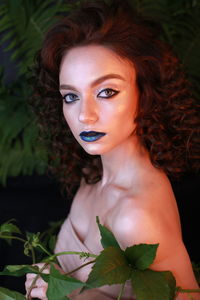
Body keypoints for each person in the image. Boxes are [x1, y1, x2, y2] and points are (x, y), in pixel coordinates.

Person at [25, 0, 200, 299]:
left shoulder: (136, 215)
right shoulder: (92, 173)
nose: (84, 115)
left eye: (106, 92)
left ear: (145, 93)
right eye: (70, 96)